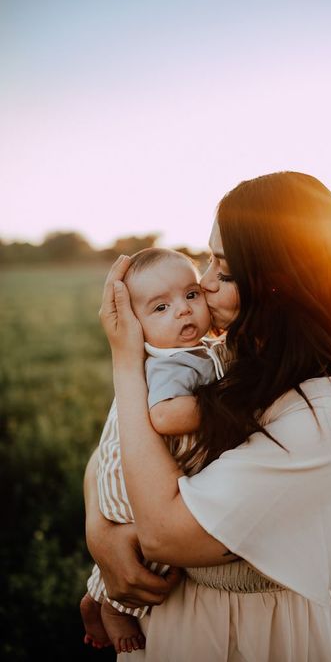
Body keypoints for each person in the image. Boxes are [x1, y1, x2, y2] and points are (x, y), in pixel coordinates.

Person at [84, 171, 331, 661]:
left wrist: (127, 362)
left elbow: (164, 535)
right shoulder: (228, 351)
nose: (203, 286)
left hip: (269, 633)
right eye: (208, 261)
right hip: (172, 617)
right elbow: (118, 442)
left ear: (281, 286)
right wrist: (100, 533)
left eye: (224, 272)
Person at [80, 247, 226, 654]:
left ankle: (95, 598)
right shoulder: (167, 363)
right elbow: (165, 416)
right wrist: (231, 404)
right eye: (161, 307)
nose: (183, 311)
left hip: (153, 465)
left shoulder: (192, 350)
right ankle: (108, 604)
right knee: (149, 552)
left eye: (191, 295)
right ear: (136, 327)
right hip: (136, 477)